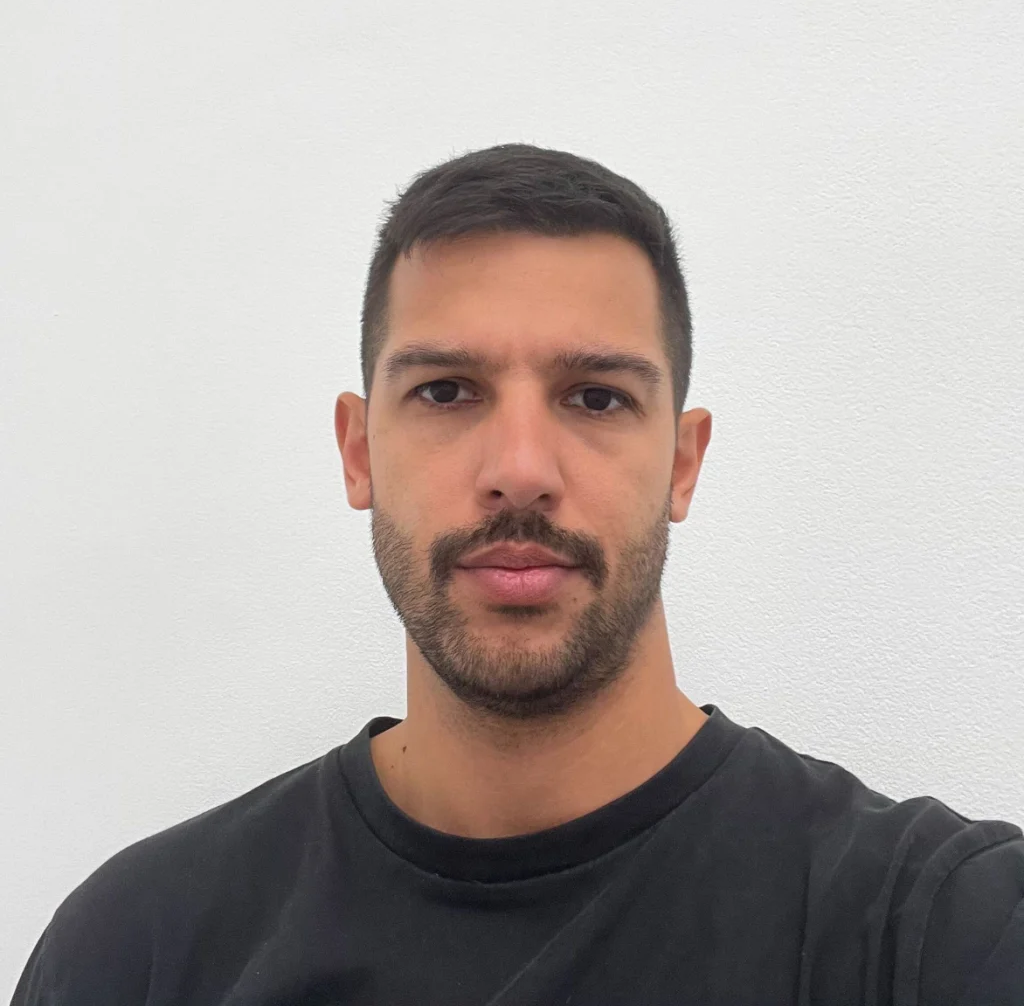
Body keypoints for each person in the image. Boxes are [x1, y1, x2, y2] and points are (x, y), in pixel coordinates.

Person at [11, 143, 1023, 1006]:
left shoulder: (941, 930)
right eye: (447, 391)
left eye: (595, 397)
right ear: (359, 453)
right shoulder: (139, 950)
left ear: (682, 463)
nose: (521, 469)